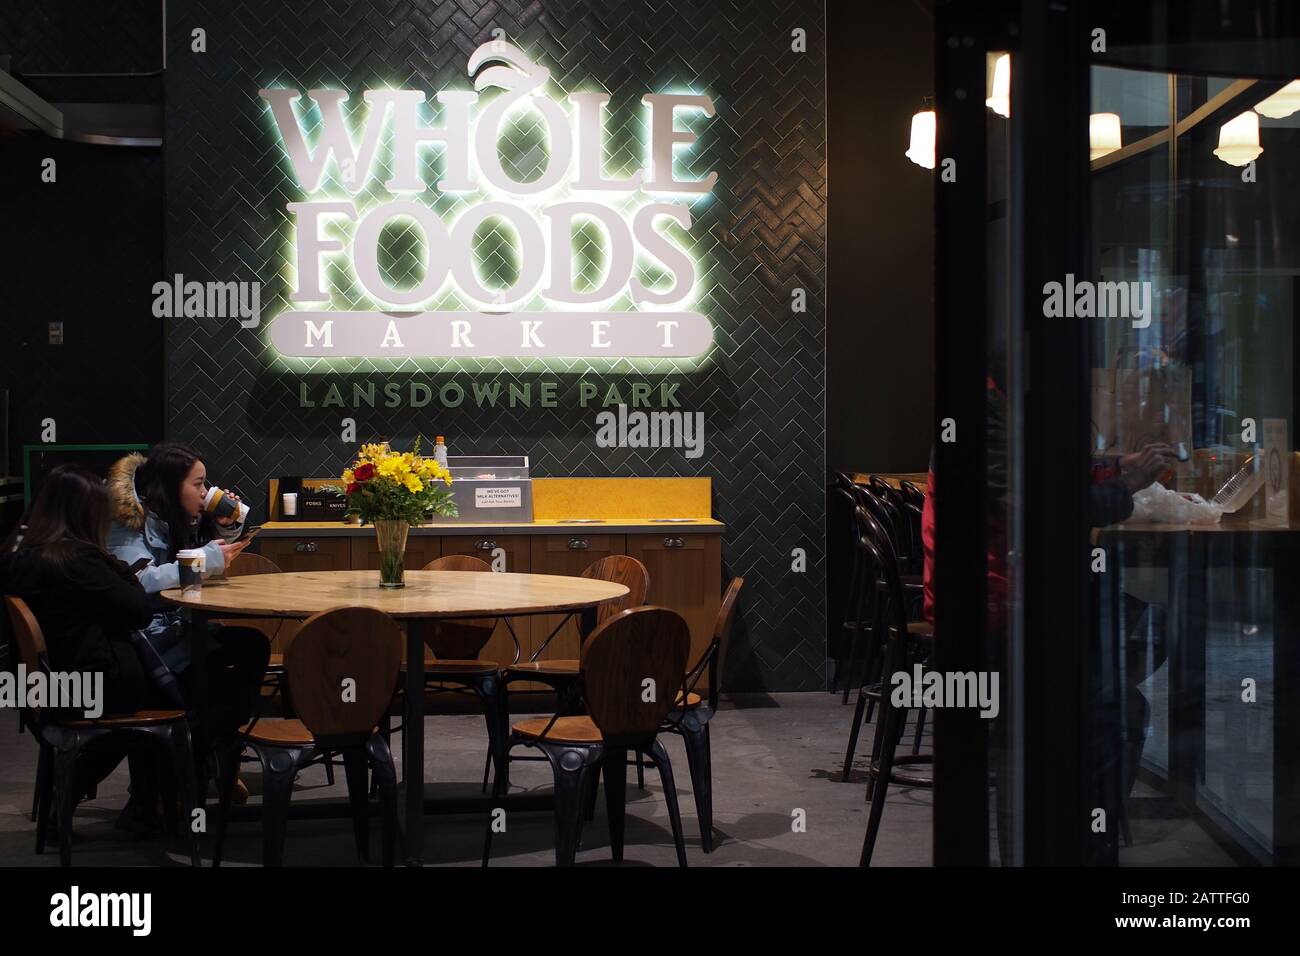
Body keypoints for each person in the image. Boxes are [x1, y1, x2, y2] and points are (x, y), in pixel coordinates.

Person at [106, 442, 269, 816]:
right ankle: (197, 758)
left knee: (250, 645)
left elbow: (196, 561)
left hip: (177, 635)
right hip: (148, 648)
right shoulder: (129, 521)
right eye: (198, 484)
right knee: (214, 691)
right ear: (169, 484)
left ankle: (204, 750)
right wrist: (206, 560)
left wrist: (224, 531)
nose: (204, 491)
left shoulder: (176, 518)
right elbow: (137, 583)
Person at [0, 465, 161, 832]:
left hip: (33, 688)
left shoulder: (15, 554)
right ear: (85, 513)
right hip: (87, 690)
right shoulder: (76, 561)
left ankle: (136, 807)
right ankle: (141, 807)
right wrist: (118, 567)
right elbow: (139, 611)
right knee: (173, 698)